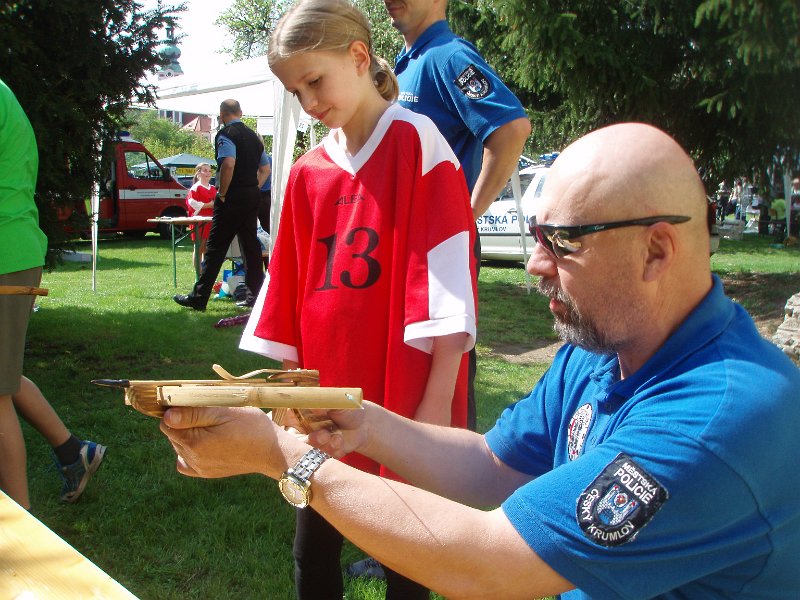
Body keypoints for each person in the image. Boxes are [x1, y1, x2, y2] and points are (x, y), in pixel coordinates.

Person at [161, 122, 800, 599]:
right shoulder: (610, 348)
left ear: (657, 250)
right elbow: (495, 465)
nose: (534, 263)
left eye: (563, 243)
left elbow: (489, 561)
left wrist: (284, 456)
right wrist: (366, 425)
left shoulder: (718, 416)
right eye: (537, 236)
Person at [247, 0, 477, 598]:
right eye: (295, 91)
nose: (309, 102)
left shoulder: (415, 141)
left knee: (407, 545)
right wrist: (291, 390)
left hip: (403, 393)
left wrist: (434, 408)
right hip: (328, 395)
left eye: (314, 81)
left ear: (358, 57)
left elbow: (449, 277)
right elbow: (288, 289)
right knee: (315, 538)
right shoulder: (306, 173)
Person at [387, 0, 532, 437]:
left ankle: (447, 491)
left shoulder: (448, 57)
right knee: (408, 378)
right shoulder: (407, 63)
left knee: (443, 388)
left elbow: (511, 129)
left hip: (440, 250)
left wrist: (465, 216)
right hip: (408, 249)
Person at [0, 77, 106, 509]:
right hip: (12, 247)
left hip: (5, 250)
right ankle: (73, 451)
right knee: (5, 375)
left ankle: (18, 529)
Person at [173, 99, 271, 310]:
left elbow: (228, 163)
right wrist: (254, 187)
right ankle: (257, 297)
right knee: (251, 247)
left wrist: (223, 193)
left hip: (232, 197)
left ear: (222, 114)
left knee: (215, 248)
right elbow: (265, 169)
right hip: (252, 195)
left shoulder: (226, 134)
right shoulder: (255, 138)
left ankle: (199, 298)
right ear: (241, 112)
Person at [185, 162, 216, 266]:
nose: (208, 173)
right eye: (205, 170)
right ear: (199, 173)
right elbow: (191, 203)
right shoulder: (195, 188)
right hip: (199, 222)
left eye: (209, 171)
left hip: (210, 222)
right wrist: (208, 205)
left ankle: (205, 273)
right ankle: (198, 275)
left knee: (208, 249)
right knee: (199, 248)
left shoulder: (212, 188)